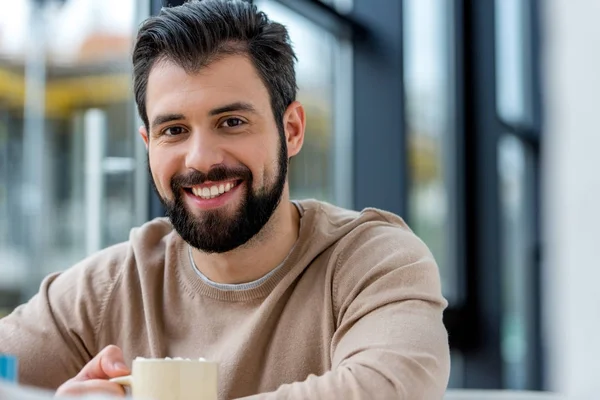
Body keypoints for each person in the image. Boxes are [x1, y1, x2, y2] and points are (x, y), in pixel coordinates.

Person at [0, 0, 450, 398]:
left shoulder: (373, 262)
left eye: (232, 122)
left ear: (291, 130)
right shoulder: (111, 287)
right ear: (148, 145)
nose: (201, 159)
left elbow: (390, 389)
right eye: (173, 131)